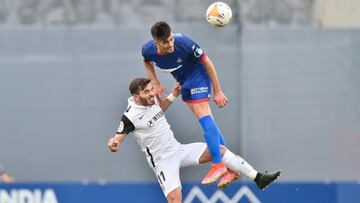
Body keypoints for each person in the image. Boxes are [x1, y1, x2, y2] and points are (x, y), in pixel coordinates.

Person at [107, 78, 281, 203]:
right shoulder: (130, 117)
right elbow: (117, 139)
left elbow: (159, 110)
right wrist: (114, 144)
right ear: (136, 96)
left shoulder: (151, 101)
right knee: (175, 200)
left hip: (178, 150)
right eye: (146, 92)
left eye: (152, 89)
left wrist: (173, 95)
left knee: (218, 150)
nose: (152, 94)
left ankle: (258, 178)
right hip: (162, 162)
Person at [142, 21, 231, 185]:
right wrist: (154, 81)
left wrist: (218, 91)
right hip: (184, 82)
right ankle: (229, 167)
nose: (170, 44)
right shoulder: (148, 50)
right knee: (205, 118)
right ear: (156, 43)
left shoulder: (185, 44)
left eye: (170, 39)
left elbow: (207, 62)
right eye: (165, 42)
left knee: (203, 115)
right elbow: (146, 60)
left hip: (199, 76)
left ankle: (218, 165)